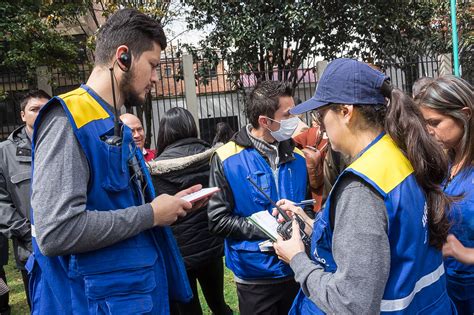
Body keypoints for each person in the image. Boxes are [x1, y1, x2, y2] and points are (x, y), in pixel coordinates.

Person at [29, 9, 208, 314]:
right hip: (94, 302)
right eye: (152, 65)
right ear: (122, 57)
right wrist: (150, 214)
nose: (155, 77)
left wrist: (169, 206)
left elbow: (115, 205)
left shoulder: (113, 123)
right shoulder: (66, 120)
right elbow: (57, 231)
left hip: (130, 296)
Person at [273, 58, 455, 314]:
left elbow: (351, 304)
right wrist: (309, 221)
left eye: (321, 113)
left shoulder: (362, 187)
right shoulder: (399, 154)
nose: (321, 124)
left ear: (345, 112)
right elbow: (382, 241)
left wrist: (297, 259)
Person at [208, 81, 312, 315]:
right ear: (265, 121)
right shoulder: (226, 158)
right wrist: (268, 226)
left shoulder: (297, 157)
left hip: (296, 269)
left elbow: (307, 208)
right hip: (255, 274)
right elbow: (217, 220)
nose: (295, 120)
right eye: (288, 115)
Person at [147, 107, 232, 315]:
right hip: (211, 245)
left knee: (189, 309)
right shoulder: (211, 156)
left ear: (164, 132)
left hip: (180, 253)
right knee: (218, 303)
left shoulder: (156, 168)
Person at [415, 75, 473, 314]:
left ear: (465, 114)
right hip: (444, 289)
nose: (429, 131)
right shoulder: (445, 161)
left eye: (435, 122)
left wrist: (468, 254)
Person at [0, 90, 50, 309]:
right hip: (31, 250)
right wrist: (28, 235)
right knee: (40, 306)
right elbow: (1, 204)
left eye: (46, 109)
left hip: (71, 244)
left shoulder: (68, 143)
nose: (40, 114)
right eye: (34, 109)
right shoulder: (4, 153)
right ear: (22, 115)